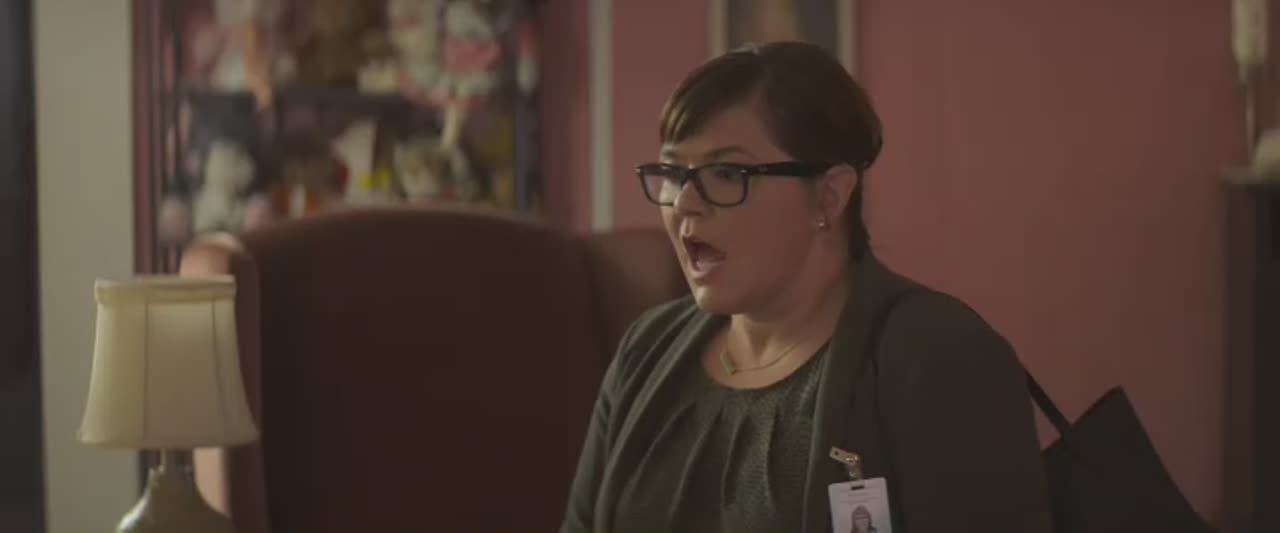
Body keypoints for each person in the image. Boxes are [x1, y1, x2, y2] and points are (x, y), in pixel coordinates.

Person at [559, 41, 1051, 533]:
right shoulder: (646, 350)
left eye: (726, 173)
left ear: (830, 196)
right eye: (672, 173)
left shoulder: (940, 354)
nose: (684, 202)